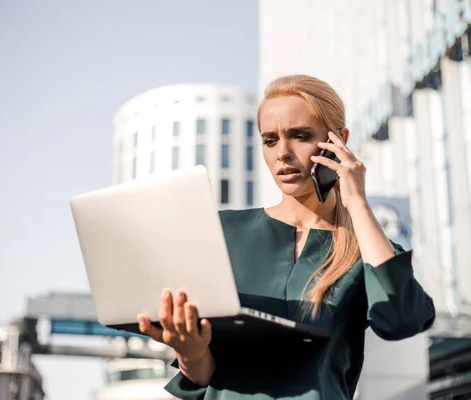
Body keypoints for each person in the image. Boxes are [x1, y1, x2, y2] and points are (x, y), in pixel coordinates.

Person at [137, 74, 436, 399]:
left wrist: (357, 203)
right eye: (270, 140)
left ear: (339, 141)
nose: (283, 152)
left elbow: (403, 320)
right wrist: (190, 352)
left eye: (300, 136)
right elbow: (203, 378)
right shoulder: (223, 233)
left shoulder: (366, 246)